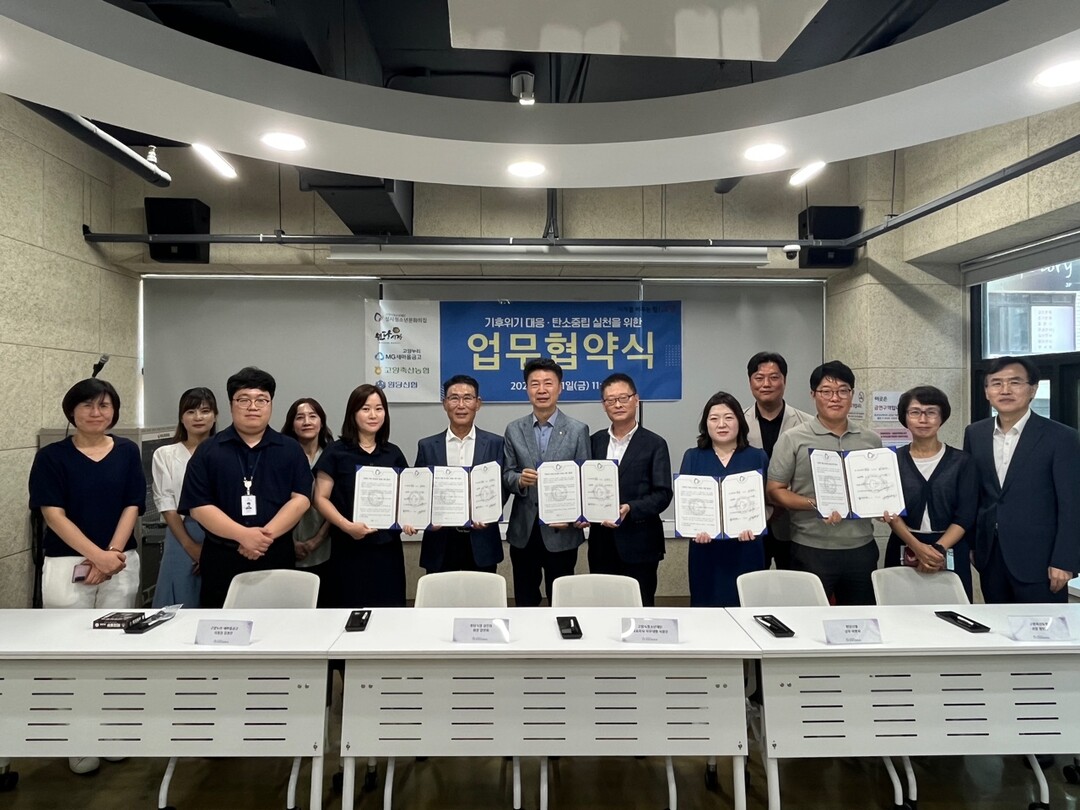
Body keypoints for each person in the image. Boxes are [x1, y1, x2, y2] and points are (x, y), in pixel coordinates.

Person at [28, 377, 146, 775]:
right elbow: (52, 514)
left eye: (104, 405)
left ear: (114, 411)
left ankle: (112, 731)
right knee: (70, 651)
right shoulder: (52, 457)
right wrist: (96, 557)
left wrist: (111, 555)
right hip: (67, 564)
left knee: (116, 651)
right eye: (87, 405)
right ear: (72, 411)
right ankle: (77, 738)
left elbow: (132, 504)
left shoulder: (127, 451)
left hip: (121, 560)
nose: (96, 413)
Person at [179, 367, 312, 608]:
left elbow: (301, 499)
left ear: (271, 404)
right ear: (231, 405)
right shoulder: (208, 450)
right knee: (222, 626)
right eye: (244, 400)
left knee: (278, 624)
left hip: (275, 554)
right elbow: (198, 506)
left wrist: (262, 538)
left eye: (261, 400)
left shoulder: (290, 449)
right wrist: (243, 535)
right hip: (222, 558)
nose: (253, 407)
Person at [963, 356, 1080, 604]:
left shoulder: (1062, 437)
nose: (1005, 390)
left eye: (1015, 382)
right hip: (990, 557)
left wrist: (1065, 560)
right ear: (986, 391)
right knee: (996, 625)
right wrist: (973, 545)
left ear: (1033, 389)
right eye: (996, 383)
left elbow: (1072, 505)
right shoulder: (975, 433)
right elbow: (975, 494)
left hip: (1041, 561)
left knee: (1043, 627)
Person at [766, 361, 882, 605]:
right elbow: (775, 491)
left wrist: (881, 505)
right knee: (807, 619)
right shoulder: (792, 439)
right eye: (826, 391)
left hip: (861, 547)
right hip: (810, 547)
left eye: (843, 391)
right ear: (813, 395)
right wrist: (815, 503)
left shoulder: (871, 440)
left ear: (852, 394)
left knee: (861, 620)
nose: (835, 398)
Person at [503, 358, 590, 606]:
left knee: (561, 601)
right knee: (525, 599)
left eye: (548, 383)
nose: (541, 390)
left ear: (560, 387)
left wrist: (576, 517)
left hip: (562, 530)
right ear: (526, 389)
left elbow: (584, 479)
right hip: (524, 530)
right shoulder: (514, 429)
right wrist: (520, 480)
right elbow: (507, 474)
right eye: (535, 384)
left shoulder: (577, 429)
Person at [314, 384, 408, 607]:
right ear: (353, 413)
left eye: (379, 408)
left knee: (390, 610)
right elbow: (320, 498)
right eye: (366, 409)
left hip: (387, 549)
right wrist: (346, 526)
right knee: (348, 610)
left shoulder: (393, 453)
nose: (373, 415)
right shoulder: (336, 452)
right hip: (348, 547)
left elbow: (405, 498)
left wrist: (410, 520)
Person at [882, 386, 978, 601]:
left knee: (953, 611)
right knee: (901, 612)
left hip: (950, 547)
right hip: (903, 544)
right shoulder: (891, 460)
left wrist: (937, 550)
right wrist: (917, 548)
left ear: (942, 417)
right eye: (915, 412)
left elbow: (966, 515)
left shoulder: (962, 462)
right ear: (905, 417)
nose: (923, 419)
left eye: (931, 412)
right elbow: (891, 511)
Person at [588, 373, 672, 606]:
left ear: (636, 399)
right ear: (603, 405)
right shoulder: (594, 441)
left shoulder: (655, 443)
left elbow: (663, 494)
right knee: (603, 608)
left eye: (623, 398)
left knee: (640, 607)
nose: (618, 404)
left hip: (641, 544)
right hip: (602, 544)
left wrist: (630, 508)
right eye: (610, 400)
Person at [679, 391, 768, 607]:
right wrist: (693, 529)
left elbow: (768, 503)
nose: (721, 424)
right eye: (714, 418)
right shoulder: (693, 456)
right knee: (706, 610)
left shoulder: (757, 456)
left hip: (746, 548)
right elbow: (686, 505)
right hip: (705, 550)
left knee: (746, 608)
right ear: (706, 424)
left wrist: (757, 524)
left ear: (739, 421)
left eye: (729, 417)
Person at [414, 375, 505, 574]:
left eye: (467, 398)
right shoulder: (427, 446)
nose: (461, 405)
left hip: (482, 542)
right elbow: (420, 491)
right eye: (454, 398)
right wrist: (424, 518)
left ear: (478, 403)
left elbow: (503, 488)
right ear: (445, 404)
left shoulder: (496, 444)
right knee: (440, 594)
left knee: (482, 594)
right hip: (440, 542)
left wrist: (489, 513)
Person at [742, 352, 812, 570]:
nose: (766, 384)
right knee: (752, 584)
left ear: (784, 380)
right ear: (750, 382)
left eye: (774, 377)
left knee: (795, 585)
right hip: (750, 524)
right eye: (759, 378)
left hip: (794, 525)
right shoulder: (737, 424)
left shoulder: (807, 424)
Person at [151, 387, 217, 608]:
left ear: (215, 416)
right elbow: (167, 503)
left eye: (205, 411)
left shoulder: (226, 452)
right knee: (179, 601)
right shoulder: (165, 454)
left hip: (220, 536)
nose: (198, 417)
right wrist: (191, 547)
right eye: (190, 411)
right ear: (181, 417)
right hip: (181, 533)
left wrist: (209, 551)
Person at [281, 397, 334, 607]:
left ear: (321, 421)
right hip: (286, 543)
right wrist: (291, 543)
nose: (307, 422)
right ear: (291, 424)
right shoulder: (281, 455)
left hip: (327, 543)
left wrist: (317, 540)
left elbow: (340, 503)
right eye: (300, 417)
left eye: (313, 416)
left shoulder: (333, 454)